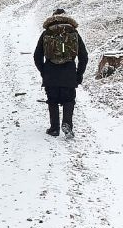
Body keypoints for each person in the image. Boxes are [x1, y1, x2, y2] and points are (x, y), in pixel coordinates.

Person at [33, 8, 88, 138]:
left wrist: (44, 71)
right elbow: (84, 56)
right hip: (69, 73)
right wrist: (79, 74)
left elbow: (37, 56)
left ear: (53, 17)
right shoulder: (73, 32)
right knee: (69, 100)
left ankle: (54, 128)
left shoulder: (47, 33)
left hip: (51, 73)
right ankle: (67, 124)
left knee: (52, 100)